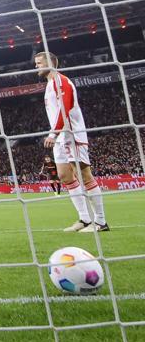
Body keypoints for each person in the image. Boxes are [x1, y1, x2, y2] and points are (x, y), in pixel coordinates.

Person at [34, 51, 108, 232]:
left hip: (71, 134)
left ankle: (100, 222)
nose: (36, 66)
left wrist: (53, 133)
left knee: (84, 175)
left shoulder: (62, 81)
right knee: (65, 176)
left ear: (51, 63)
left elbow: (65, 109)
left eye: (39, 63)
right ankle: (84, 219)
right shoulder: (50, 84)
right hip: (60, 137)